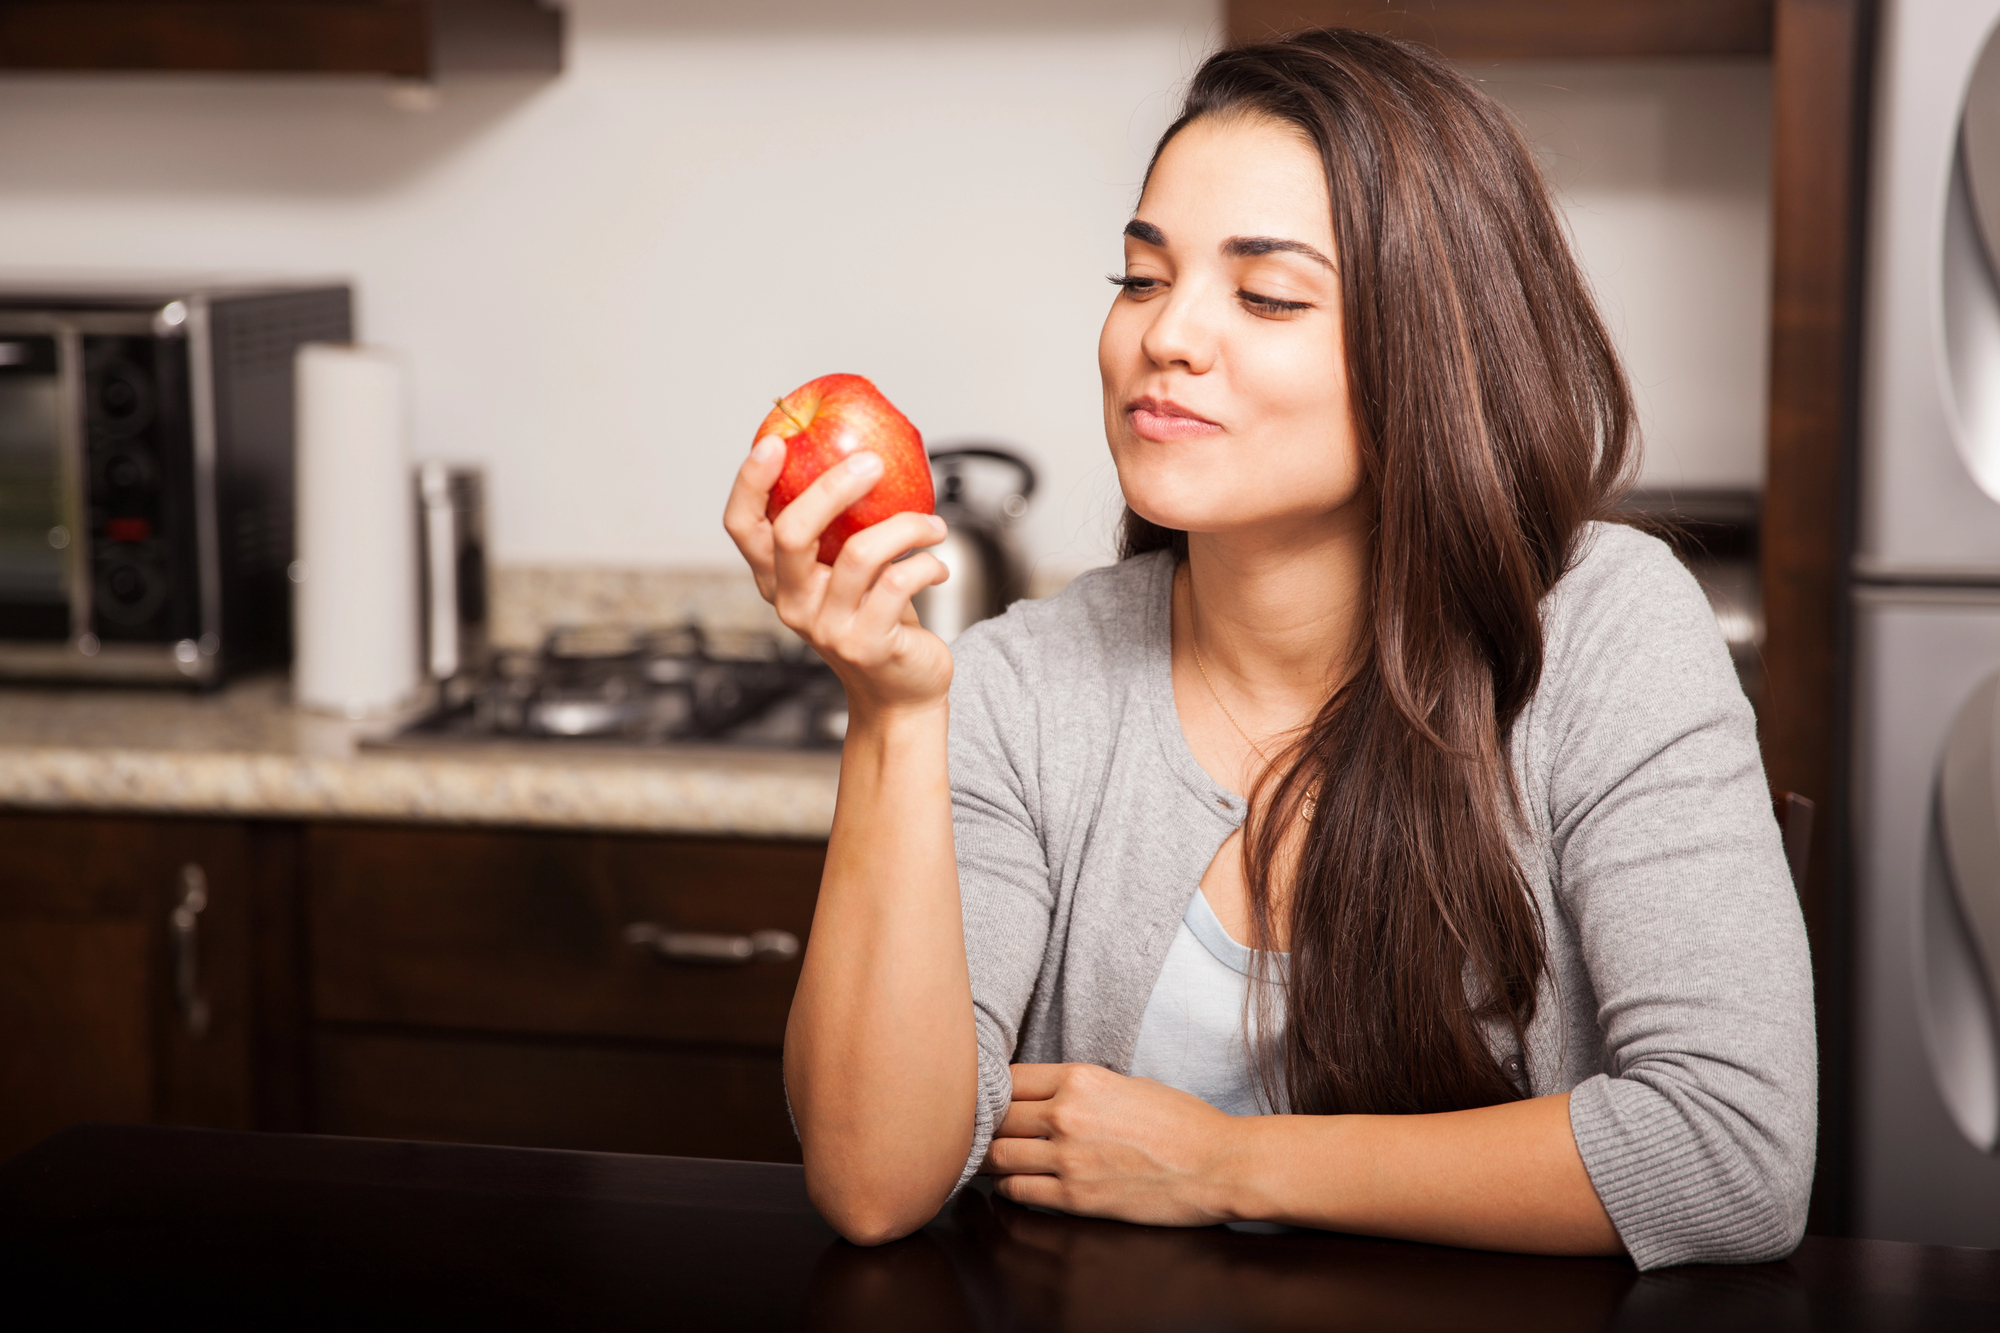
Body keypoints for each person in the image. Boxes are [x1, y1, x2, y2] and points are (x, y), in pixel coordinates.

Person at [722, 28, 1815, 1272]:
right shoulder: (1024, 684)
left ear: (1430, 349)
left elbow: (1732, 1154)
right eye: (1139, 280)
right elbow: (874, 1182)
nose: (1165, 337)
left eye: (1266, 295)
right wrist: (892, 714)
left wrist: (1220, 1165)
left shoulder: (1605, 628)